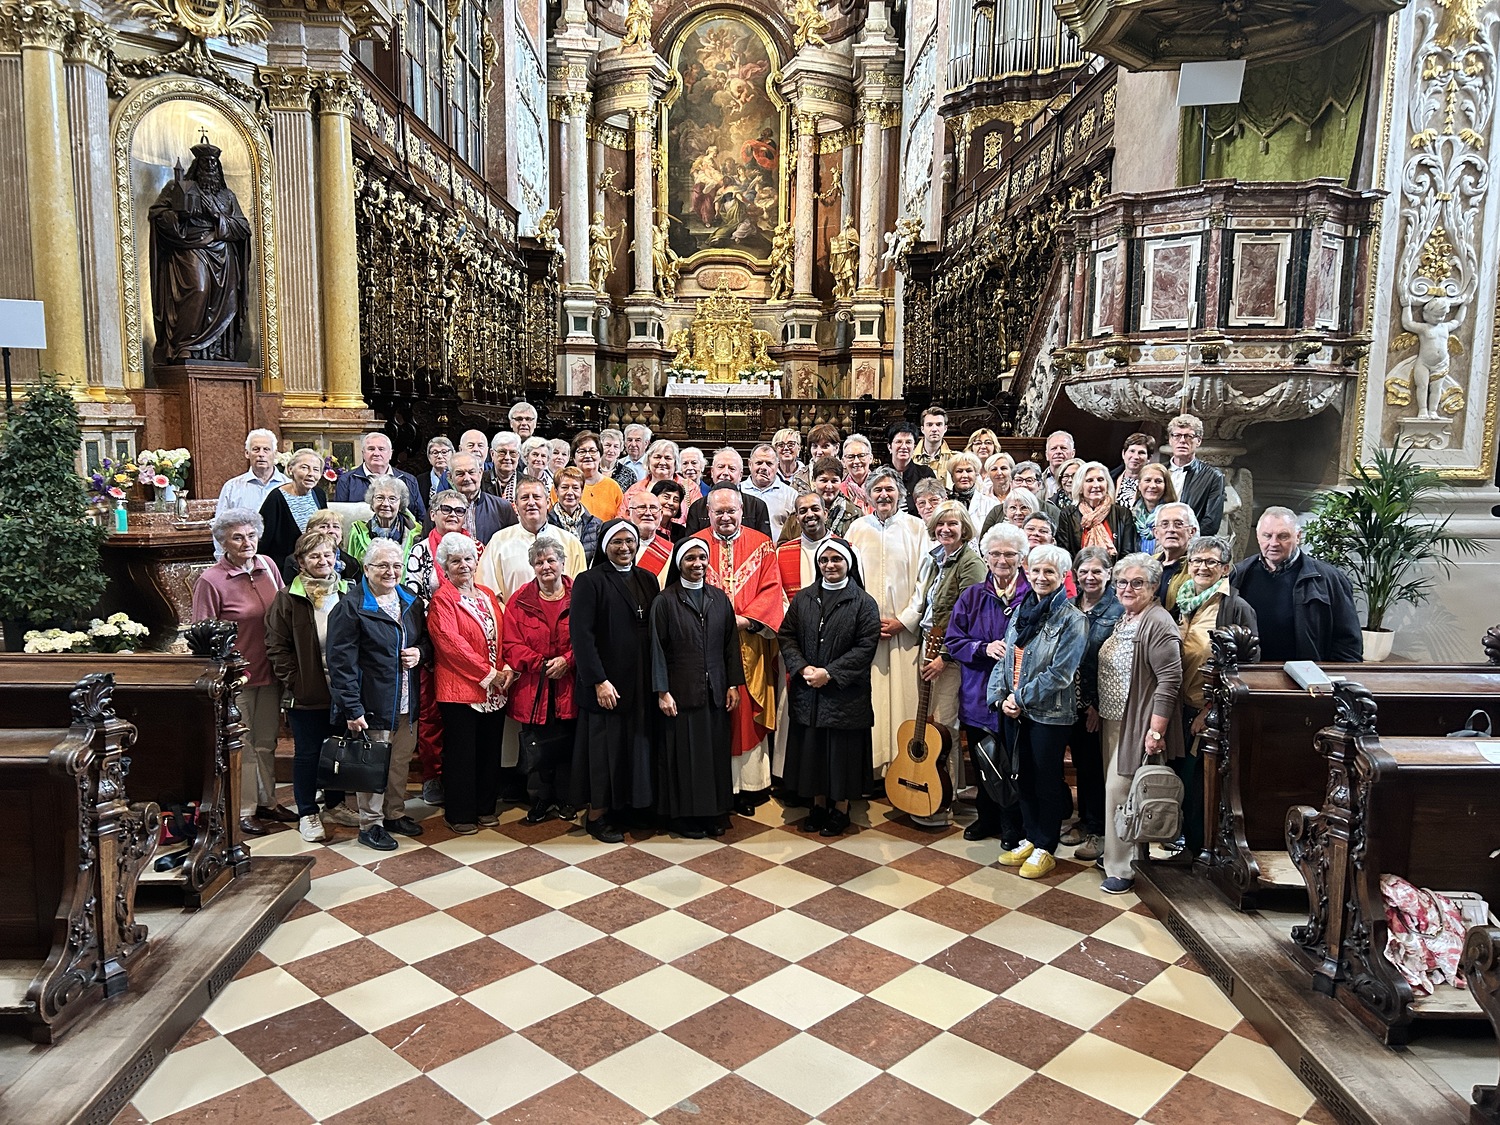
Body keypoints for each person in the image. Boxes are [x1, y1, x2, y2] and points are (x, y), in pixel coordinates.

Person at [325, 538, 431, 851]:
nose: (391, 572)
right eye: (382, 565)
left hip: (407, 701)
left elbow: (426, 641)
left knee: (399, 762)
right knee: (372, 765)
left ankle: (394, 813)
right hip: (372, 702)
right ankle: (370, 824)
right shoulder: (351, 607)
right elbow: (341, 663)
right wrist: (352, 708)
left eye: (396, 565)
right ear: (367, 568)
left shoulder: (410, 601)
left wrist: (420, 653)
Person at [990, 544, 1088, 879]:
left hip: (1049, 714)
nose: (1041, 577)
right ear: (1027, 572)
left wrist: (1019, 698)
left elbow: (1061, 674)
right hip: (1016, 709)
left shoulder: (1073, 619)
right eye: (1036, 570)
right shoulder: (1021, 609)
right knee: (1023, 777)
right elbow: (1006, 658)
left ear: (1063, 576)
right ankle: (1030, 838)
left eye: (1049, 571)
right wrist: (1000, 698)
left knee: (1046, 781)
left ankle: (1046, 845)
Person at [194, 509, 290, 836]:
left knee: (266, 740)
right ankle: (245, 809)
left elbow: (283, 610)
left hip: (271, 669)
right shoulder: (211, 580)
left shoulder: (268, 566)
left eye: (251, 535)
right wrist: (220, 674)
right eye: (237, 537)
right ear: (223, 543)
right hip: (237, 677)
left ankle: (268, 800)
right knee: (243, 744)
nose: (247, 542)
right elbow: (202, 634)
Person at [779, 538, 881, 837]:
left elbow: (865, 647)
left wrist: (830, 673)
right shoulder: (804, 598)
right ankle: (818, 805)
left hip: (845, 695)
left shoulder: (863, 602)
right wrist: (802, 668)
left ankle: (841, 809)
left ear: (848, 563)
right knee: (813, 752)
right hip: (809, 691)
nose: (830, 565)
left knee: (841, 754)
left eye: (836, 559)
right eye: (824, 560)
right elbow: (787, 635)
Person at [1097, 552, 1184, 894]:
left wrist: (1156, 729)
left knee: (1121, 791)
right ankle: (1116, 854)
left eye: (1137, 582)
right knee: (1119, 792)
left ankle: (1125, 867)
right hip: (1114, 718)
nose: (1127, 588)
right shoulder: (1126, 617)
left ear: (1154, 586)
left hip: (1139, 722)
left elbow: (1170, 680)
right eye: (1122, 582)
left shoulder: (1158, 622)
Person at [694, 484, 785, 813]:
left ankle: (749, 786)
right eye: (718, 511)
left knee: (746, 712)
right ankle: (719, 786)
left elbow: (772, 590)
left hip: (750, 643)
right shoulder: (695, 545)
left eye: (731, 511)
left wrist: (744, 620)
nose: (725, 517)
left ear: (742, 511)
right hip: (706, 646)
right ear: (708, 513)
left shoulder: (762, 545)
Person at [571, 520, 660, 842]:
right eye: (616, 542)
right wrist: (598, 680)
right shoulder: (590, 581)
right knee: (603, 753)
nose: (624, 548)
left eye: (629, 541)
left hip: (641, 683)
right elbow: (582, 636)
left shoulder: (648, 579)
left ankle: (630, 808)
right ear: (604, 546)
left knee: (636, 749)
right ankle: (597, 816)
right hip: (606, 685)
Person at [901, 500, 987, 826]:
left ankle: (942, 800)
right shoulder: (937, 558)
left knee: (945, 727)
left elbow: (971, 615)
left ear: (964, 528)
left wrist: (945, 655)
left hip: (949, 653)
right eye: (940, 524)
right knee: (931, 721)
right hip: (930, 643)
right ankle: (938, 788)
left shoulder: (970, 562)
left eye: (952, 524)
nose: (946, 529)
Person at [652, 539, 745, 838]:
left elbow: (731, 645)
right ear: (679, 563)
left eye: (702, 557)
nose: (697, 564)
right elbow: (656, 649)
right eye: (690, 558)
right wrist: (662, 691)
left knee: (713, 757)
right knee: (684, 758)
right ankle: (683, 817)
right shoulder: (665, 601)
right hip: (681, 693)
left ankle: (713, 813)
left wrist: (732, 683)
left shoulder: (719, 598)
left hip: (715, 692)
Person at [1174, 534, 1260, 855]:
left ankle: (1202, 852)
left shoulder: (1236, 608)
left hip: (1209, 713)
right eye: (1196, 561)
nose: (1202, 567)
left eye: (1211, 562)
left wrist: (1209, 709)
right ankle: (1186, 845)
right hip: (1180, 708)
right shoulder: (1182, 602)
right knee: (1183, 783)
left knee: (1201, 787)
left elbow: (1246, 668)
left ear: (1225, 568)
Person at [945, 524, 1030, 842]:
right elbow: (954, 641)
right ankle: (987, 818)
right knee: (985, 762)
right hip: (978, 694)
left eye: (1009, 554)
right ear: (985, 557)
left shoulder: (1032, 596)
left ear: (1021, 557)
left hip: (1018, 696)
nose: (1002, 560)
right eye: (995, 553)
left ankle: (1014, 824)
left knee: (1015, 764)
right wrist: (983, 648)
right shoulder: (971, 596)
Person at [266, 531, 352, 842]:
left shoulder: (348, 591)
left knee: (338, 750)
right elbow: (277, 647)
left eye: (328, 554)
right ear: (301, 562)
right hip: (307, 690)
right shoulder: (287, 597)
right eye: (314, 556)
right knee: (308, 753)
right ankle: (307, 812)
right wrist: (296, 681)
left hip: (342, 688)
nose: (322, 561)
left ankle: (335, 805)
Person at [427, 533, 509, 834]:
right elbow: (451, 645)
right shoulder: (442, 599)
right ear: (444, 567)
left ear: (476, 562)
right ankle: (460, 813)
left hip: (495, 689)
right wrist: (488, 673)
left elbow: (502, 634)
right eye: (455, 561)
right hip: (459, 689)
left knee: (489, 751)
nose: (463, 565)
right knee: (462, 754)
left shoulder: (487, 594)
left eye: (468, 559)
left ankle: (485, 807)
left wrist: (505, 668)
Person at [848, 468, 927, 779]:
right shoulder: (857, 529)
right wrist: (864, 622)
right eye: (877, 489)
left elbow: (925, 581)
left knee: (904, 700)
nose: (883, 495)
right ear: (868, 495)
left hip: (904, 633)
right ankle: (869, 768)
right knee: (871, 701)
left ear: (900, 494)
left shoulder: (916, 528)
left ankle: (902, 766)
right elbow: (849, 580)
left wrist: (905, 620)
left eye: (889, 489)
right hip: (866, 633)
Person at [504, 539, 577, 825]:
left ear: (562, 563)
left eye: (551, 560)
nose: (545, 566)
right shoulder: (520, 600)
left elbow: (590, 636)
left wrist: (568, 660)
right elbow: (511, 643)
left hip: (570, 684)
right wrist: (542, 664)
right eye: (539, 562)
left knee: (568, 744)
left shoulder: (580, 595)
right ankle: (541, 799)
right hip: (534, 688)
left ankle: (567, 798)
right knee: (537, 745)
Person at [1231, 506, 1362, 662]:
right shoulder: (1238, 575)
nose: (1274, 543)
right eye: (1267, 536)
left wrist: (1332, 674)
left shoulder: (1329, 578)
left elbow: (1348, 643)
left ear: (1298, 537)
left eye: (1283, 536)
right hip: (1250, 670)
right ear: (1258, 537)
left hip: (1306, 672)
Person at [1068, 546, 1124, 863]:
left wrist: (1097, 704)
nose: (1090, 577)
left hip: (1098, 704)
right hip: (1070, 701)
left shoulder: (1117, 609)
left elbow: (1114, 663)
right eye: (1084, 571)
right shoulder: (1070, 605)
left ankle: (1099, 830)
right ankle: (1084, 819)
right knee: (1082, 763)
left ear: (1108, 574)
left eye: (1097, 571)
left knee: (1096, 767)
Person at [477, 477, 587, 601]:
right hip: (511, 612)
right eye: (524, 498)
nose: (531, 502)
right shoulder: (498, 542)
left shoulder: (570, 542)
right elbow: (486, 593)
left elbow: (580, 592)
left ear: (548, 502)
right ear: (516, 505)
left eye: (536, 497)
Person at [336, 432, 426, 524]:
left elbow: (421, 517)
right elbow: (339, 517)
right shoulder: (347, 481)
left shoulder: (409, 480)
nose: (376, 453)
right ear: (363, 453)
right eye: (371, 449)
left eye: (381, 449)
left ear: (390, 454)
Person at [405, 488, 477, 604]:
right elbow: (413, 594)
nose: (453, 514)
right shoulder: (420, 551)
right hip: (432, 611)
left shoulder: (477, 548)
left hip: (472, 611)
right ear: (433, 515)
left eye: (459, 511)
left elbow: (483, 587)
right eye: (446, 509)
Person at [1058, 461, 1139, 559]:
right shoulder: (1068, 514)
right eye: (1089, 480)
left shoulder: (1122, 514)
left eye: (1100, 480)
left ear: (1107, 484)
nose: (1096, 485)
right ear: (1080, 487)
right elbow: (1065, 554)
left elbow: (1127, 554)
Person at [684, 448, 773, 537]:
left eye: (732, 468)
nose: (725, 472)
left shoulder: (757, 506)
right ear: (712, 472)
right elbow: (691, 543)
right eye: (720, 467)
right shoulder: (697, 507)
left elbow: (764, 542)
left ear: (740, 475)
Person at [1164, 414, 1225, 536]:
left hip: (1192, 541)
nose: (1182, 440)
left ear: (1199, 441)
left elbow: (1211, 522)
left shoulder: (1213, 476)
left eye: (1189, 436)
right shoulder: (1160, 471)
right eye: (1177, 435)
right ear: (1170, 440)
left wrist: (1187, 539)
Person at [348, 474, 422, 568]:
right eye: (380, 498)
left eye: (392, 499)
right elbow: (352, 568)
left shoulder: (416, 532)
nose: (386, 504)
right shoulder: (358, 532)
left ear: (400, 504)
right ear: (372, 502)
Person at [215, 429, 288, 523]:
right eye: (256, 449)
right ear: (247, 453)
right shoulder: (232, 487)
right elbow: (220, 525)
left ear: (275, 454)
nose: (261, 454)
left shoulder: (288, 486)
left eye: (266, 449)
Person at [282, 508, 364, 588]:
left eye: (336, 527)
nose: (331, 531)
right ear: (310, 532)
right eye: (324, 526)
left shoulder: (352, 563)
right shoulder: (293, 562)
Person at [447, 453, 517, 543]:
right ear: (450, 477)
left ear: (480, 473)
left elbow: (514, 542)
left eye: (471, 472)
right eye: (460, 474)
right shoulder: (441, 509)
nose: (467, 478)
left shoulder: (502, 507)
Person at [549, 466, 603, 563]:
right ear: (556, 491)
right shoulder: (546, 523)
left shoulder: (596, 525)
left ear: (582, 492)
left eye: (575, 488)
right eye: (564, 487)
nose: (570, 492)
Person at [1151, 502, 1198, 607]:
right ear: (1156, 533)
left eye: (1178, 524)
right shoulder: (1148, 564)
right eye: (1164, 524)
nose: (1171, 529)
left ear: (1191, 531)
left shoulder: (1198, 567)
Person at [743, 442, 798, 533]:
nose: (763, 467)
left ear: (777, 466)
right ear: (750, 464)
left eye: (769, 464)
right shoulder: (738, 491)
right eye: (759, 463)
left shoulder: (791, 495)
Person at [622, 439, 683, 517]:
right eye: (657, 457)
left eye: (668, 458)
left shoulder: (689, 488)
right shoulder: (634, 490)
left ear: (675, 462)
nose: (662, 462)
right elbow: (622, 517)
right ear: (648, 461)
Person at [573, 431, 624, 521]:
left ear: (600, 456)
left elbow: (621, 519)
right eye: (582, 451)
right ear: (574, 458)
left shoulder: (613, 487)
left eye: (593, 451)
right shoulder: (563, 486)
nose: (587, 455)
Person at [625, 492, 674, 584]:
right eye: (641, 507)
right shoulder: (617, 547)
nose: (648, 513)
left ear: (661, 515)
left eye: (653, 508)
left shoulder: (671, 551)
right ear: (628, 513)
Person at [1131, 463, 1177, 555]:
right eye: (1147, 480)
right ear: (1139, 485)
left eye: (1158, 481)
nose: (1152, 485)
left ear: (1166, 486)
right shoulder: (1130, 516)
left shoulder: (1177, 514)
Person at [1111, 432, 1156, 508]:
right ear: (1123, 454)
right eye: (1132, 451)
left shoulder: (1153, 484)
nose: (1135, 457)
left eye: (1141, 453)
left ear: (1149, 458)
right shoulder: (1110, 478)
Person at [837, 435, 877, 519]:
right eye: (850, 457)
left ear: (871, 458)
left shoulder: (881, 488)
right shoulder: (838, 491)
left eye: (861, 455)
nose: (856, 461)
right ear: (843, 462)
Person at [914, 405, 953, 479]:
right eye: (929, 425)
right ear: (922, 429)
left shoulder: (955, 459)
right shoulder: (910, 458)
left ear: (945, 428)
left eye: (939, 424)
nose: (934, 429)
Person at [483, 431, 522, 503]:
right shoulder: (479, 482)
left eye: (512, 453)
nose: (507, 457)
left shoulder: (529, 483)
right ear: (492, 454)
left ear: (518, 456)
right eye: (502, 452)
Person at [1039, 431, 1076, 500]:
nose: (1058, 451)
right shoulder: (1037, 482)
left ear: (1073, 453)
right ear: (1047, 455)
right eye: (1053, 448)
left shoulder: (1083, 480)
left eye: (1063, 448)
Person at [421, 436, 453, 510]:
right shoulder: (420, 480)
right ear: (429, 457)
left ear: (452, 454)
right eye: (435, 453)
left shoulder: (458, 477)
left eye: (444, 452)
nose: (440, 456)